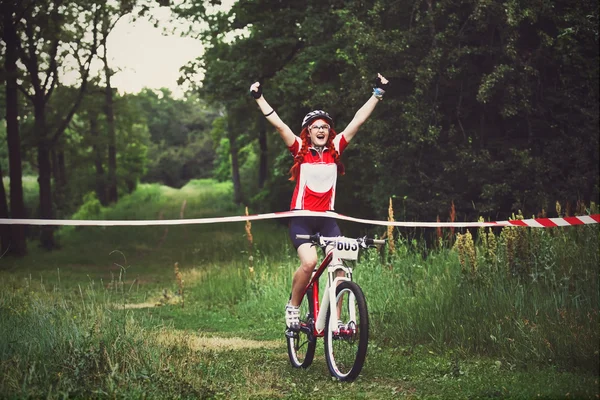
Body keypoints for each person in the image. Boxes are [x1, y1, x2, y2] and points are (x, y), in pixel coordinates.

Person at [249, 74, 389, 330]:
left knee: (338, 266)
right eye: (316, 126)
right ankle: (293, 305)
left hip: (328, 221)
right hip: (301, 219)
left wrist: (377, 93)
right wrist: (259, 98)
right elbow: (279, 125)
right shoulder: (299, 148)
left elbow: (358, 120)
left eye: (325, 126)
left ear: (329, 131)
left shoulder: (336, 147)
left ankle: (332, 321)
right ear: (308, 132)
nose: (321, 129)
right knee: (310, 263)